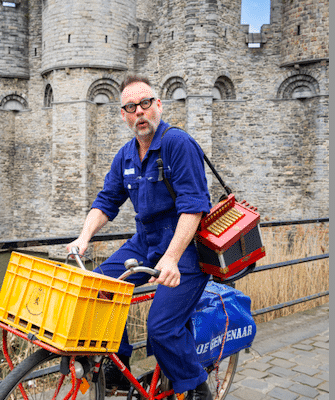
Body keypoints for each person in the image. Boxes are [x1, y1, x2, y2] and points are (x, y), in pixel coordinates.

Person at [67, 75, 213, 400]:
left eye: (145, 103)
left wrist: (171, 258)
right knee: (96, 289)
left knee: (161, 328)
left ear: (158, 105)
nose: (140, 112)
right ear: (123, 115)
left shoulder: (178, 144)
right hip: (145, 242)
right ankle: (119, 368)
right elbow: (107, 201)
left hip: (185, 249)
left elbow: (193, 207)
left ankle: (197, 387)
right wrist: (83, 238)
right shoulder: (126, 155)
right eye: (131, 107)